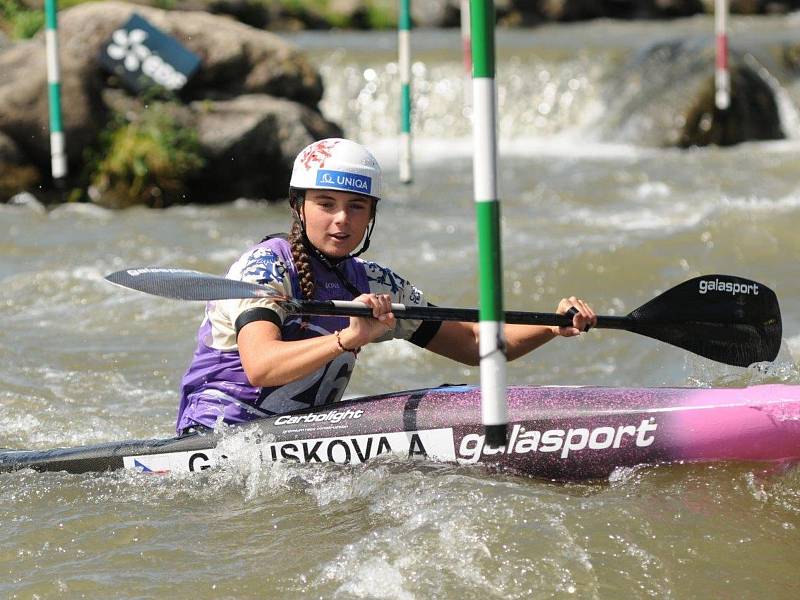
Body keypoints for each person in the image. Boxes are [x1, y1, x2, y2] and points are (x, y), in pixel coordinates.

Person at [176, 138, 596, 434]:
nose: (342, 219)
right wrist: (346, 339)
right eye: (326, 204)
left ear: (371, 216)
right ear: (298, 206)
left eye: (356, 207)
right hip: (218, 438)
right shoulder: (265, 266)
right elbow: (261, 365)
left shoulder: (376, 282)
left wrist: (551, 326)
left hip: (293, 441)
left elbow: (470, 343)